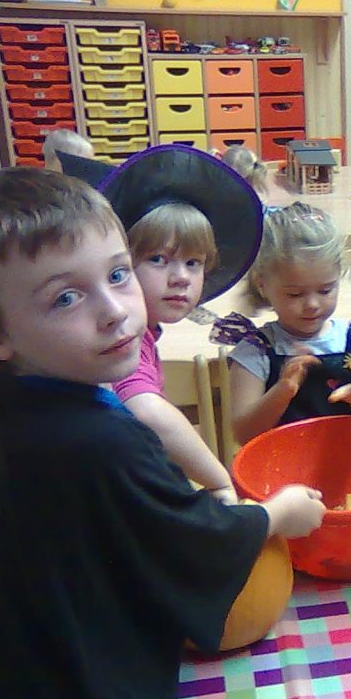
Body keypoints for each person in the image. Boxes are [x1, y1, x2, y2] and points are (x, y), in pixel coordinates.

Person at [0, 168, 327, 699]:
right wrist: (274, 516)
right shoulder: (102, 441)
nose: (115, 311)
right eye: (65, 297)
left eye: (117, 274)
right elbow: (189, 537)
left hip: (9, 682)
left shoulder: (4, 396)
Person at [62, 145, 265, 503]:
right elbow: (145, 409)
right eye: (158, 259)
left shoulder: (144, 331)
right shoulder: (121, 337)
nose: (180, 277)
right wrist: (219, 480)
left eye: (193, 263)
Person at [218, 202, 351, 445]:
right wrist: (283, 390)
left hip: (350, 463)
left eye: (325, 290)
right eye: (294, 294)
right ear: (262, 285)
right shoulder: (255, 352)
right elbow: (244, 435)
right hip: (279, 464)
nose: (312, 304)